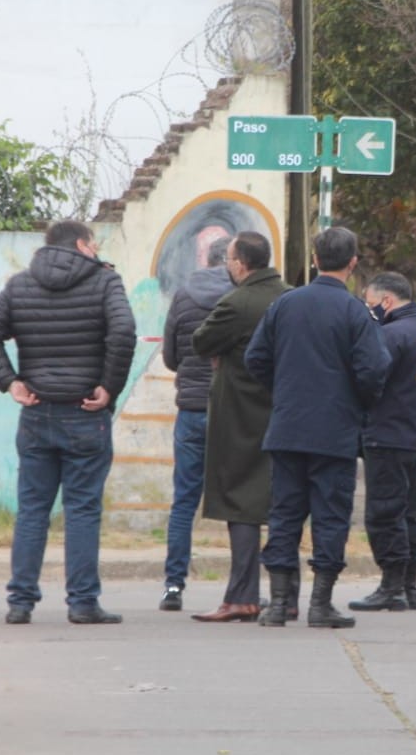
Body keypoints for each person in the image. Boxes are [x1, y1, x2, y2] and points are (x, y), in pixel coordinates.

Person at [0, 220, 136, 625]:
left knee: (32, 510)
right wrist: (109, 387)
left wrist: (10, 383)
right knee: (81, 509)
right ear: (82, 244)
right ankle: (82, 603)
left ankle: (20, 602)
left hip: (37, 412)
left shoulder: (20, 285)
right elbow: (125, 331)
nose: (96, 250)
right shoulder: (105, 282)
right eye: (93, 244)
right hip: (86, 412)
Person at [245, 227, 391, 629]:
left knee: (284, 514)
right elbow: (375, 369)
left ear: (314, 259)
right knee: (330, 516)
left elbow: (256, 357)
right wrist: (356, 401)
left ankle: (277, 605)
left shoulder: (285, 304)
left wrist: (285, 391)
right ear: (353, 262)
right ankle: (320, 603)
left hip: (288, 425)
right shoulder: (354, 311)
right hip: (335, 430)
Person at [188, 232, 290, 622]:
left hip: (241, 416)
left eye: (230, 260)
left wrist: (223, 354)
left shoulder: (237, 302)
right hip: (284, 413)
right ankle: (286, 596)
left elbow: (201, 341)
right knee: (284, 504)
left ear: (239, 264)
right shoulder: (289, 296)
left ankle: (242, 596)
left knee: (240, 505)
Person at [349, 272, 416, 613]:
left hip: (387, 434)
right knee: (408, 512)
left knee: (384, 513)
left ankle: (391, 586)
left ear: (386, 301)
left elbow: (370, 379)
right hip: (414, 434)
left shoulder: (390, 334)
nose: (368, 310)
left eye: (370, 303)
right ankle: (410, 586)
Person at [157, 237, 234, 612]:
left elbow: (170, 356)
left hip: (190, 408)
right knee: (239, 502)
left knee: (183, 501)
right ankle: (241, 588)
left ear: (208, 258)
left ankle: (173, 585)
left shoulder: (184, 293)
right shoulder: (241, 295)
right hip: (231, 411)